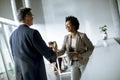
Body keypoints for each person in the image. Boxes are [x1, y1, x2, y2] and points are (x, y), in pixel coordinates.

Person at [9, 7, 57, 80]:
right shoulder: (32, 33)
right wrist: (54, 54)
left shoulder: (12, 36)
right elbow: (47, 53)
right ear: (26, 16)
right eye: (31, 15)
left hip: (20, 76)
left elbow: (15, 56)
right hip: (35, 75)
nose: (32, 17)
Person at [57, 16, 94, 80]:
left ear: (74, 25)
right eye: (65, 25)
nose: (66, 27)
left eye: (68, 24)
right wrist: (56, 53)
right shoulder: (66, 37)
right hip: (72, 63)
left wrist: (82, 55)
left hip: (83, 62)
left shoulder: (82, 36)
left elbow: (91, 49)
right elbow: (63, 50)